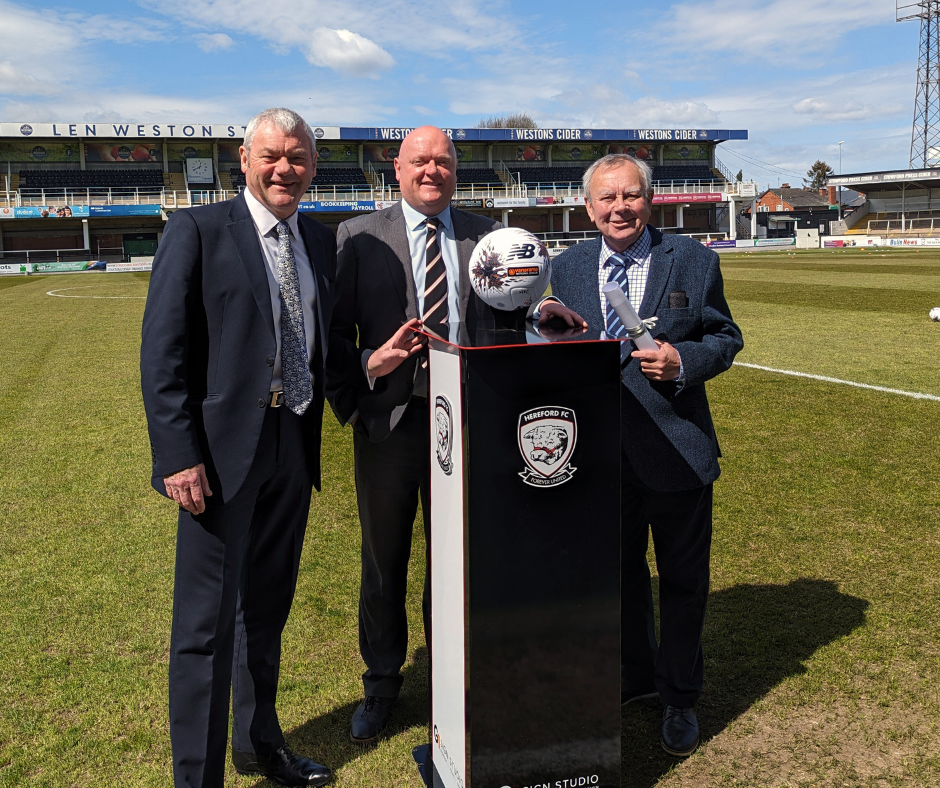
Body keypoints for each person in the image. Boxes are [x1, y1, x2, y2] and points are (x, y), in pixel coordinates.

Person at [326, 125, 580, 744]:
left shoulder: (484, 235)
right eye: (420, 160)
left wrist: (542, 316)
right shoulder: (357, 237)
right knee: (384, 561)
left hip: (468, 417)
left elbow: (511, 314)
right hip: (391, 422)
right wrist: (370, 367)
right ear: (397, 167)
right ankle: (382, 684)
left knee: (458, 560)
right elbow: (333, 339)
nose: (431, 170)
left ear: (456, 169)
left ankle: (452, 680)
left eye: (442, 160)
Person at [141, 107, 334, 787]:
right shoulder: (198, 230)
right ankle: (196, 779)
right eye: (273, 155)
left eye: (300, 156)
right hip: (218, 461)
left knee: (266, 611)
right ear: (244, 159)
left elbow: (319, 343)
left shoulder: (318, 237)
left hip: (291, 443)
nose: (286, 168)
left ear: (313, 166)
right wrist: (176, 455)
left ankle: (259, 743)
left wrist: (371, 367)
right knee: (204, 629)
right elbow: (163, 352)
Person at [549, 153, 743, 758]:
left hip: (677, 450)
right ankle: (634, 676)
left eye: (630, 196)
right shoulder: (569, 266)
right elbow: (562, 341)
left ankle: (680, 696)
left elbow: (724, 336)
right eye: (606, 199)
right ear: (588, 208)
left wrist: (684, 362)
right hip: (601, 454)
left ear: (649, 199)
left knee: (683, 581)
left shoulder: (694, 259)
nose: (619, 208)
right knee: (619, 575)